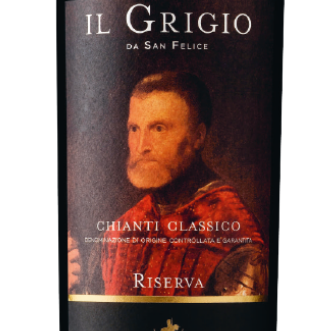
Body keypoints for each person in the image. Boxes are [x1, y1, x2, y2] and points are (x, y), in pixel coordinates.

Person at [68, 71, 267, 297]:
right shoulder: (117, 234)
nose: (142, 146)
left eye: (159, 128)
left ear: (198, 137)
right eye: (134, 129)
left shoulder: (234, 235)